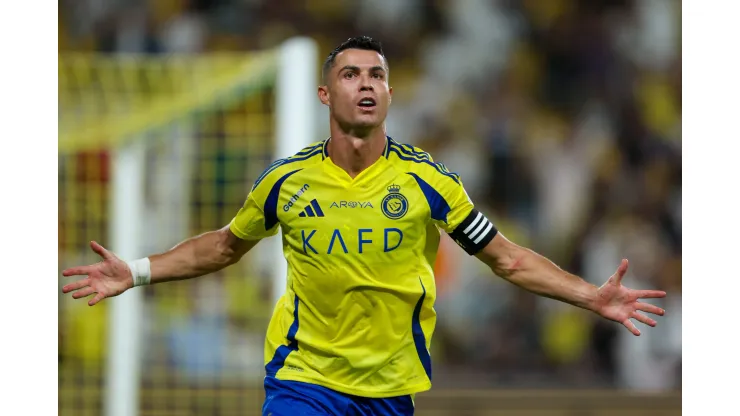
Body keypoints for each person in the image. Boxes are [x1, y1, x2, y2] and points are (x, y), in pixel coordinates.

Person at [61, 36, 667, 416]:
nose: (366, 84)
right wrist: (136, 271)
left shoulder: (430, 183)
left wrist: (591, 295)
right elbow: (222, 248)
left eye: (376, 75)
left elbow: (506, 258)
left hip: (388, 388)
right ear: (326, 94)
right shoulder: (286, 182)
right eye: (351, 75)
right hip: (303, 377)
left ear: (390, 93)